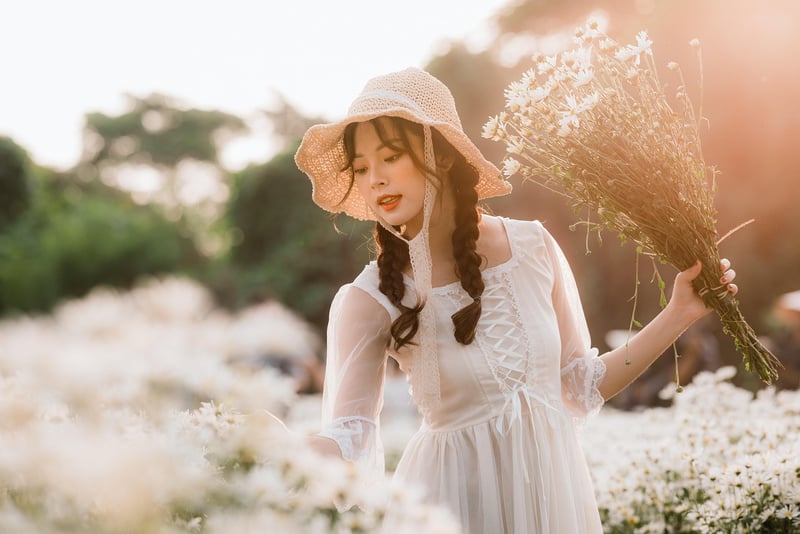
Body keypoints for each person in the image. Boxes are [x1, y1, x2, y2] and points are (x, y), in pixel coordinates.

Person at [292, 67, 737, 533]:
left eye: (390, 157)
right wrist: (270, 449)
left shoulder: (533, 246)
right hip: (449, 509)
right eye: (361, 168)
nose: (375, 179)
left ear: (440, 156)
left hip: (553, 501)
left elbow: (579, 385)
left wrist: (680, 312)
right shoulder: (370, 298)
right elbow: (349, 438)